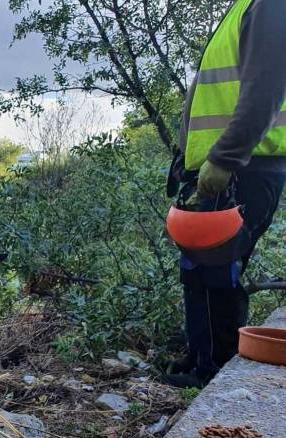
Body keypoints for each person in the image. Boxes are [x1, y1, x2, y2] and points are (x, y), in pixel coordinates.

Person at [165, 0, 286, 388]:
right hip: (214, 170)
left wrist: (226, 157)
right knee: (197, 268)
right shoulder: (244, 8)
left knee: (220, 271)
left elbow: (266, 87)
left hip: (243, 169)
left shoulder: (270, 6)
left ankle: (215, 371)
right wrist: (187, 160)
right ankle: (198, 356)